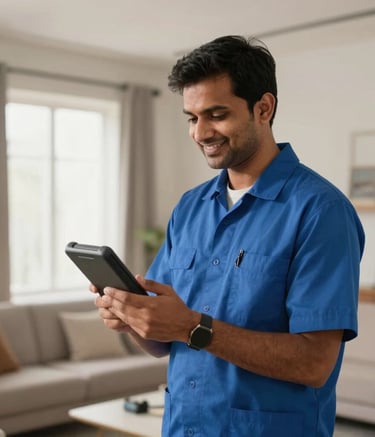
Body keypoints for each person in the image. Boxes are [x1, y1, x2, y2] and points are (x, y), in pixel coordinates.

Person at [93, 35, 365, 436]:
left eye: (216, 114)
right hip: (184, 427)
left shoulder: (321, 212)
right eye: (191, 117)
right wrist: (133, 319)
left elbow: (313, 364)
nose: (200, 132)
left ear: (263, 108)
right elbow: (165, 340)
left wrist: (191, 327)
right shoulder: (189, 208)